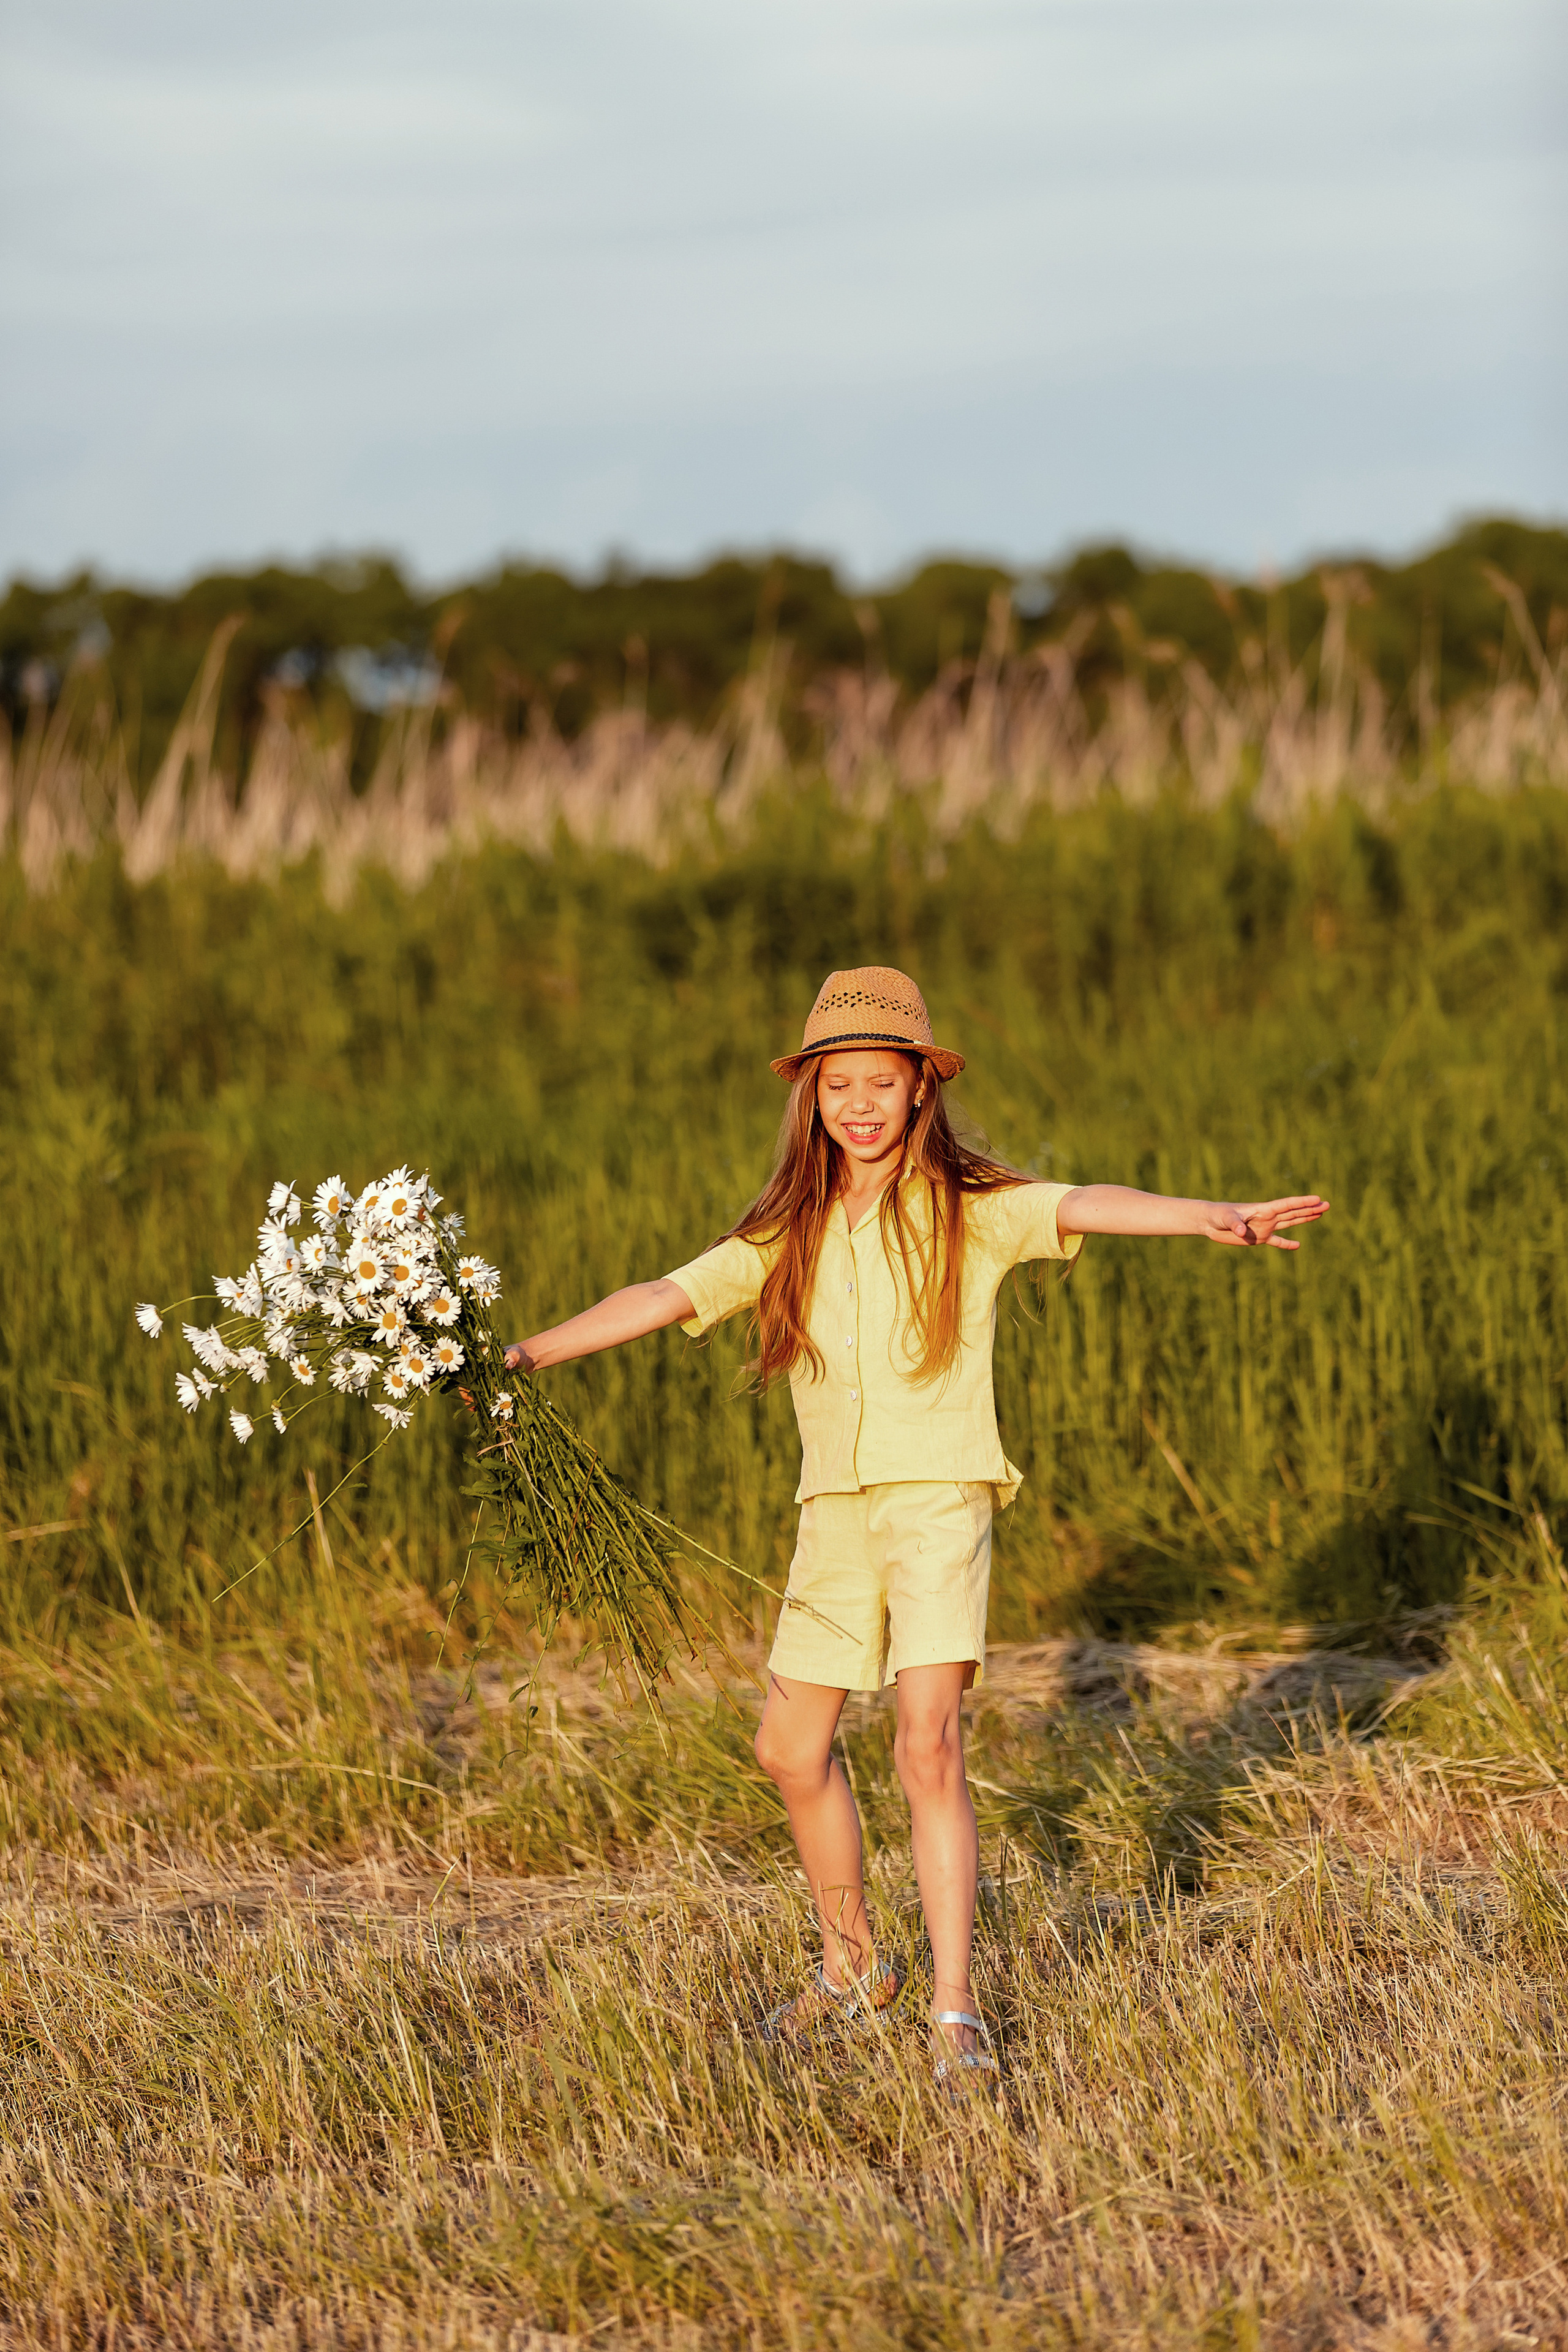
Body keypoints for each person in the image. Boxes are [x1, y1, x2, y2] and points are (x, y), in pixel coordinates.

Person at [503, 966, 1327, 2086]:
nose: (858, 1104)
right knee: (788, 1749)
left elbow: (1082, 1201)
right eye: (838, 1083)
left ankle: (955, 2014)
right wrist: (517, 1356)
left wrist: (1210, 1219)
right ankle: (854, 1969)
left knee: (924, 1742)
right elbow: (660, 1295)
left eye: (880, 1083)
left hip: (941, 1501)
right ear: (814, 1096)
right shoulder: (786, 1232)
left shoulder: (971, 1209)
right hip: (832, 1514)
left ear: (920, 1092)